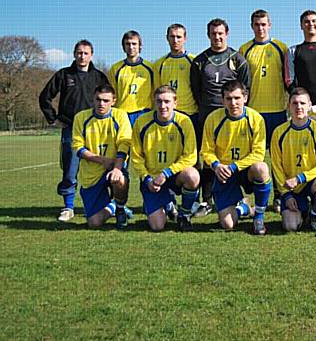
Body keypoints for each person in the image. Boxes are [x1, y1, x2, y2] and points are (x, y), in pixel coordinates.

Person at [39, 39, 110, 222]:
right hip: (71, 128)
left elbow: (108, 98)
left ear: (91, 55)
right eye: (79, 53)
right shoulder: (64, 75)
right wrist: (53, 118)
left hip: (95, 130)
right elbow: (45, 97)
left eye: (85, 53)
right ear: (74, 54)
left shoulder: (99, 77)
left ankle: (102, 203)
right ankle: (68, 207)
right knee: (70, 168)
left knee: (98, 166)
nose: (82, 56)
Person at [190, 18, 251, 217]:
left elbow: (245, 88)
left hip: (233, 116)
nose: (217, 37)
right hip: (207, 116)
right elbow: (196, 90)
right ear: (208, 35)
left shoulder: (238, 59)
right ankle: (206, 200)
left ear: (227, 34)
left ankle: (241, 196)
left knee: (234, 155)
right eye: (213, 33)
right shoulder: (199, 61)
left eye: (220, 33)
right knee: (208, 157)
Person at [200, 80, 272, 235]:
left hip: (246, 171)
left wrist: (234, 167)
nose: (233, 103)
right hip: (223, 173)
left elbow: (259, 153)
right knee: (228, 224)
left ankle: (258, 217)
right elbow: (206, 151)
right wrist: (216, 165)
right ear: (222, 100)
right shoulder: (213, 119)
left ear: (245, 98)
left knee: (262, 168)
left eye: (237, 98)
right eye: (229, 99)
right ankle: (244, 208)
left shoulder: (256, 119)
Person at [130, 86, 200, 232]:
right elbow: (136, 158)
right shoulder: (141, 123)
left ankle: (184, 215)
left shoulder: (185, 122)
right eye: (159, 101)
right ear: (154, 102)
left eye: (167, 101)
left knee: (192, 176)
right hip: (152, 179)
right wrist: (147, 179)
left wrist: (167, 173)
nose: (163, 106)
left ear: (175, 103)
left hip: (175, 176)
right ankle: (167, 204)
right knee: (157, 226)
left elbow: (191, 157)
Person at [239, 10, 288, 213]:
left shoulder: (281, 48)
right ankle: (252, 198)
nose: (260, 28)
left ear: (270, 25)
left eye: (264, 24)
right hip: (254, 113)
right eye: (257, 24)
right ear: (252, 26)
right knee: (254, 158)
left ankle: (279, 196)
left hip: (277, 111)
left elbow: (288, 79)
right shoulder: (245, 49)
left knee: (278, 158)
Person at [271, 87, 316, 232]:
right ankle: (303, 211)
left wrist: (301, 178)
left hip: (310, 182)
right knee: (290, 227)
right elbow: (276, 168)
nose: (299, 107)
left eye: (303, 103)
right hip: (291, 188)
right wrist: (285, 195)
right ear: (289, 106)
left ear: (310, 106)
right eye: (295, 103)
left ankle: (314, 214)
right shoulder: (279, 133)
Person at [71, 84, 131, 228]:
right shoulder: (81, 118)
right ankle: (113, 206)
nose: (101, 104)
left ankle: (121, 209)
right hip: (91, 174)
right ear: (93, 99)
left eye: (105, 100)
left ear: (114, 101)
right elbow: (77, 147)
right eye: (98, 99)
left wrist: (117, 168)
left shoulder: (120, 115)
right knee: (94, 222)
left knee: (120, 179)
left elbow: (125, 143)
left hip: (114, 167)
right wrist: (101, 160)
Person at [154, 24, 198, 126]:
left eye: (179, 37)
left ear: (185, 38)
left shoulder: (194, 61)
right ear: (167, 38)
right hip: (168, 113)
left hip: (190, 113)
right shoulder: (159, 63)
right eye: (172, 36)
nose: (175, 40)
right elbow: (157, 90)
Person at [108, 30, 155, 126]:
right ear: (123, 47)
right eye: (127, 44)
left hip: (144, 112)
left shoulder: (150, 68)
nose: (131, 47)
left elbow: (156, 91)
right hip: (122, 114)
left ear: (140, 46)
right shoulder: (116, 68)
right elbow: (111, 94)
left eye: (134, 44)